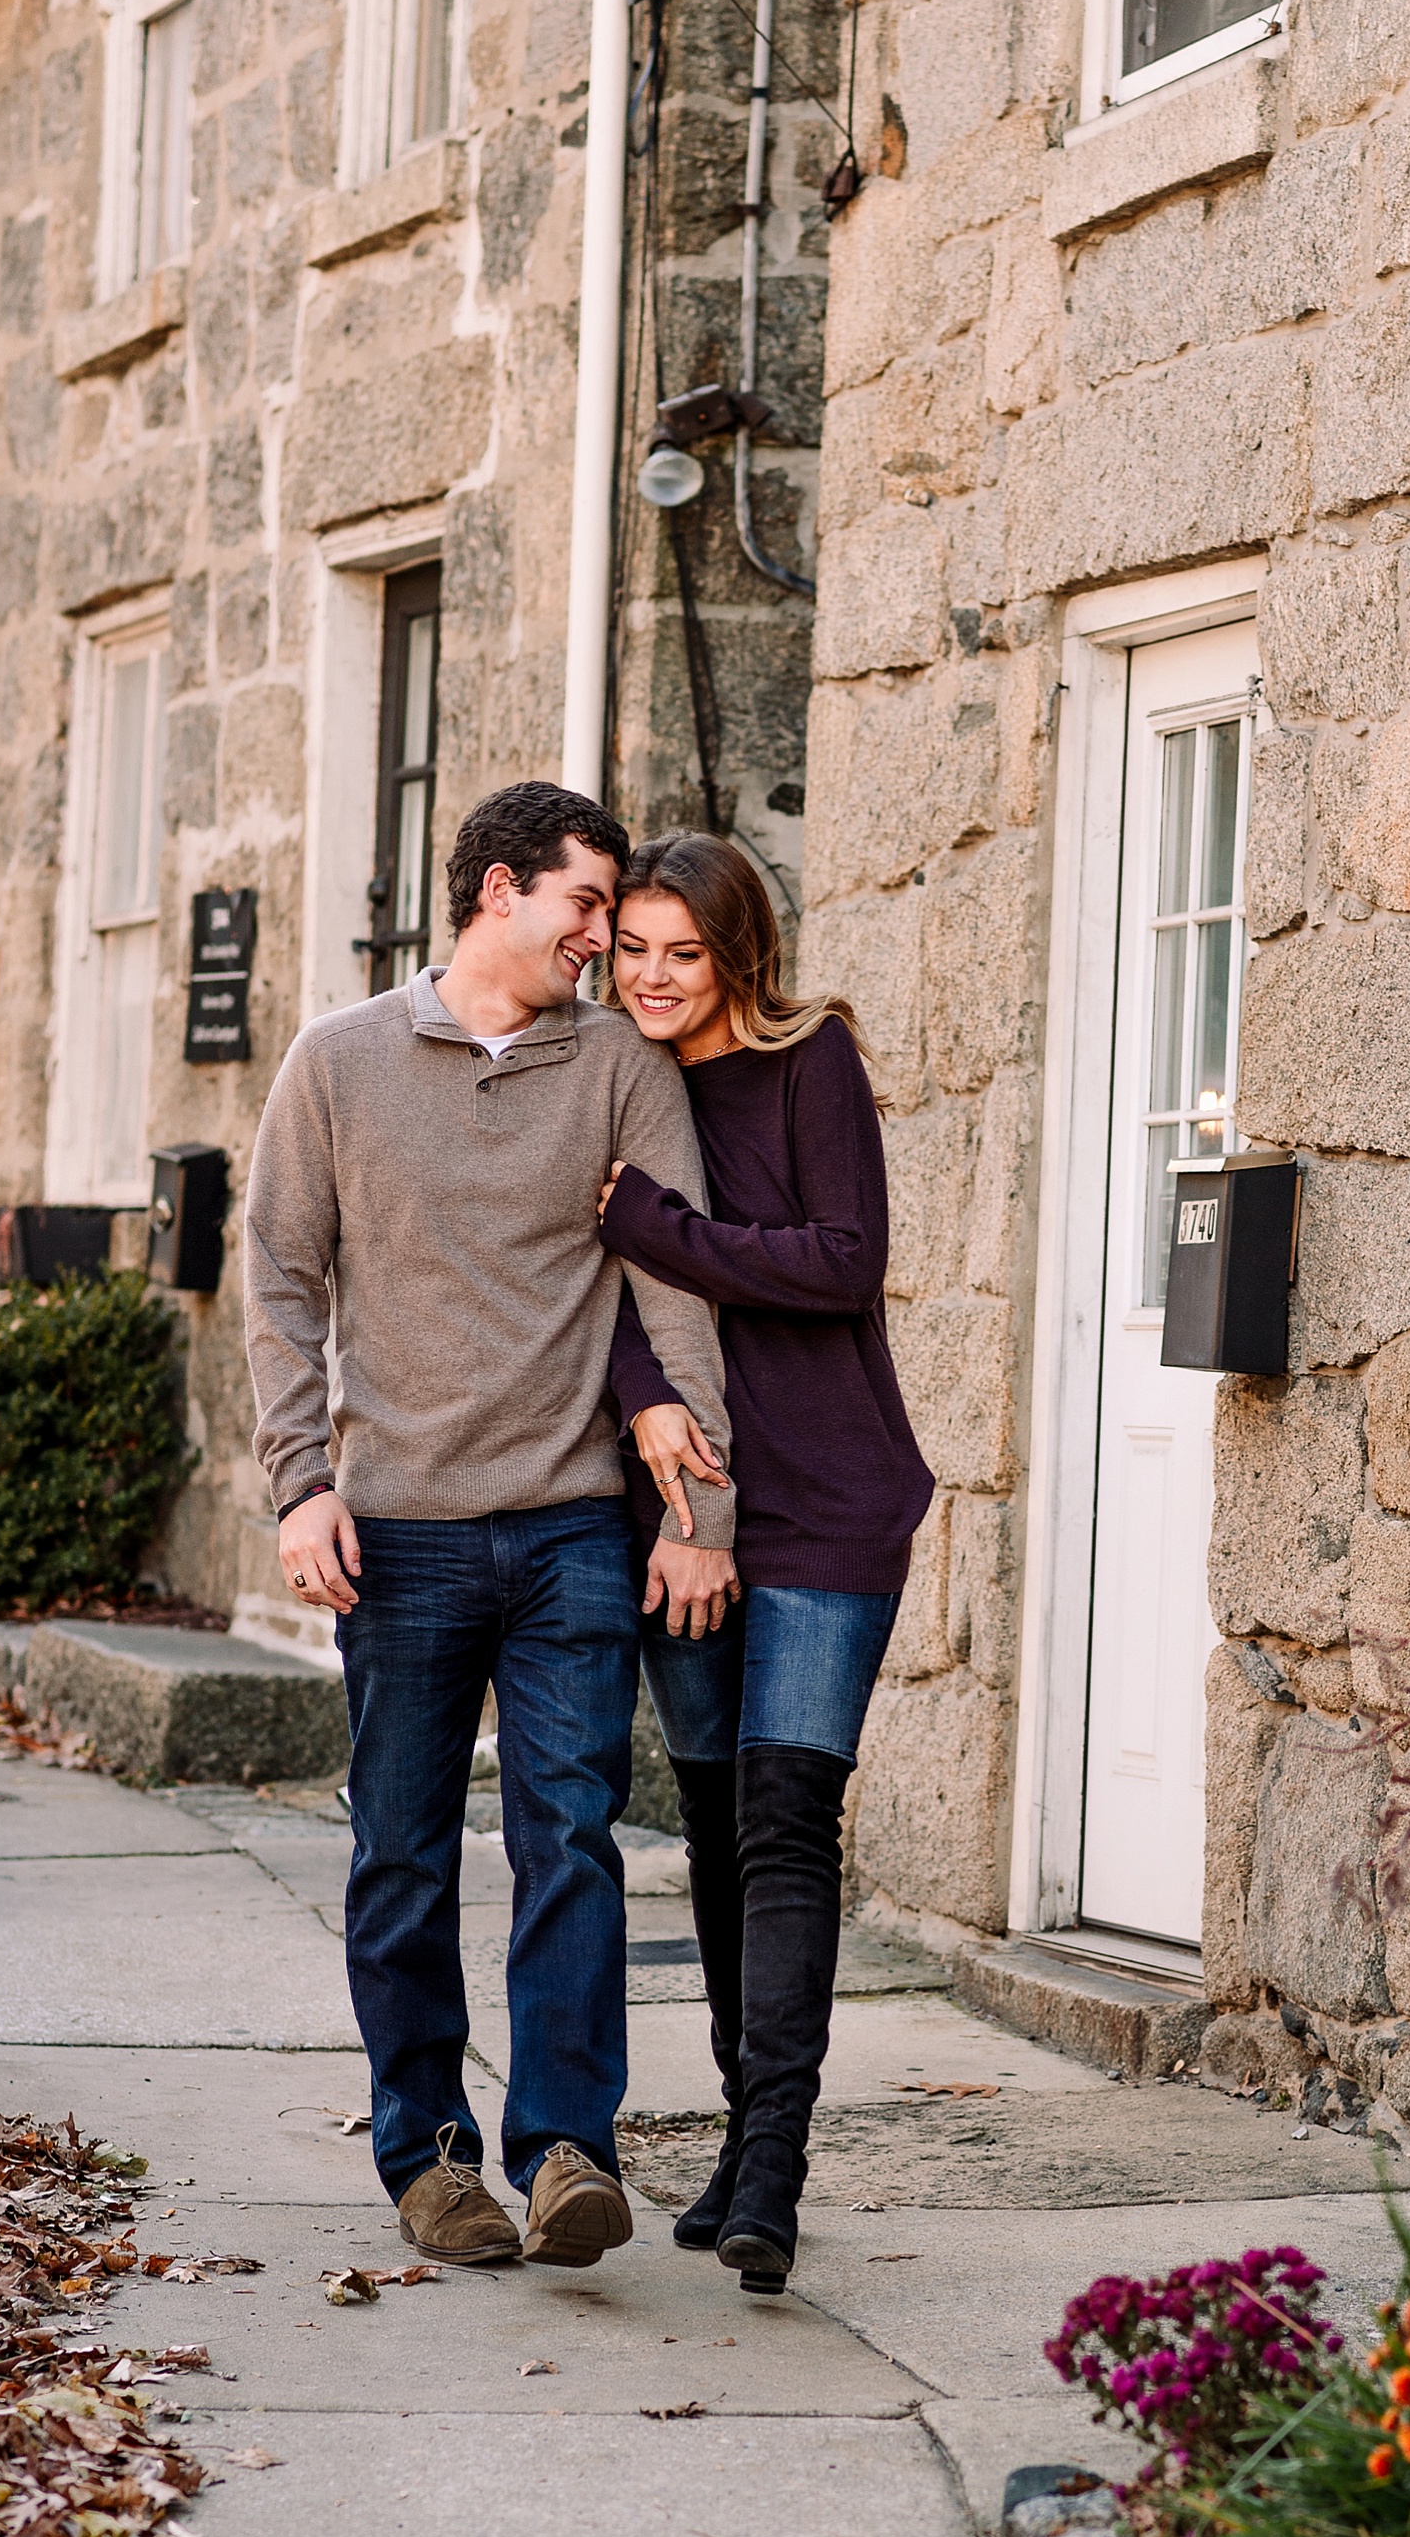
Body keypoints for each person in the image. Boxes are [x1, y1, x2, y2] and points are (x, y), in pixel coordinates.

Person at [244, 782, 739, 2275]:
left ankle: (568, 2147)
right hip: (393, 1534)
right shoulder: (337, 1063)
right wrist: (297, 1482)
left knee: (571, 1841)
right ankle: (430, 2152)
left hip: (575, 1529)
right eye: (588, 906)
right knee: (400, 1851)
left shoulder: (618, 1071)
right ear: (499, 892)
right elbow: (278, 1279)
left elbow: (680, 1290)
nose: (609, 937)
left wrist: (696, 1512)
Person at [598, 831, 934, 2293]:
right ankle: (744, 2130)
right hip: (692, 1504)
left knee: (791, 1812)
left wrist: (664, 1224)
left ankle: (778, 2155)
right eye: (635, 951)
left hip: (833, 1499)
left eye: (685, 951)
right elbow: (589, 1293)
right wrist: (651, 1416)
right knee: (724, 1821)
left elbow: (841, 1259)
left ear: (740, 954)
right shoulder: (610, 1081)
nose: (656, 978)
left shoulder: (814, 1063)